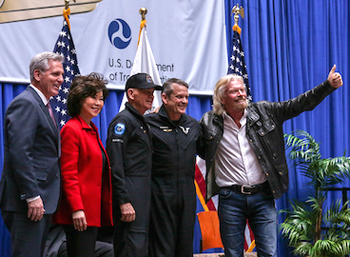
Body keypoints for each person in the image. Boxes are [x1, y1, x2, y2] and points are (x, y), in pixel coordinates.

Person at [199, 65, 343, 257]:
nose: (241, 94)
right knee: (233, 254)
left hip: (263, 196)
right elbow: (196, 146)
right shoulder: (209, 122)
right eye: (234, 91)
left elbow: (298, 104)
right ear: (222, 98)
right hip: (230, 198)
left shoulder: (265, 112)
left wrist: (327, 86)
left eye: (242, 89)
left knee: (269, 253)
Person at [0, 52, 64, 257]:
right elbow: (20, 153)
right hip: (27, 203)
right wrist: (32, 195)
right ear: (37, 74)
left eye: (62, 74)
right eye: (55, 74)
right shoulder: (26, 103)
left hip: (41, 200)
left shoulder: (43, 105)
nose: (61, 79)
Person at [53, 73, 113, 257]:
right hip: (79, 214)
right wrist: (77, 209)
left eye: (101, 98)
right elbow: (68, 173)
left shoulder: (92, 129)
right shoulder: (72, 129)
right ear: (79, 99)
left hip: (93, 212)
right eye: (93, 97)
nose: (98, 103)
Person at [145, 78, 203, 257]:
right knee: (162, 250)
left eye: (186, 97)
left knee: (185, 248)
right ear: (164, 98)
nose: (184, 101)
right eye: (179, 97)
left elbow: (207, 151)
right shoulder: (148, 123)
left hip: (186, 195)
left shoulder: (193, 124)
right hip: (159, 195)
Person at [106, 73, 162, 257]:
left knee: (141, 246)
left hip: (142, 195)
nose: (151, 96)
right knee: (132, 247)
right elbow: (115, 164)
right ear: (131, 93)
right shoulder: (123, 122)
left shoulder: (140, 120)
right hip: (130, 196)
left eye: (152, 92)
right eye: (146, 92)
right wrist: (123, 200)